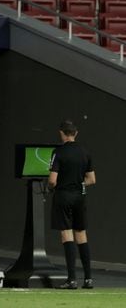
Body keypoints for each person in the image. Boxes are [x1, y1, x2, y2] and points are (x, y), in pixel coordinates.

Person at [48, 120, 96, 290]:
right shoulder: (85, 152)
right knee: (81, 235)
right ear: (76, 133)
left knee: (67, 235)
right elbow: (91, 180)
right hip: (79, 197)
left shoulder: (58, 152)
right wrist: (78, 184)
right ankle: (89, 279)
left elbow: (52, 180)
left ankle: (72, 279)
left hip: (63, 196)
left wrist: (50, 187)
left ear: (61, 133)